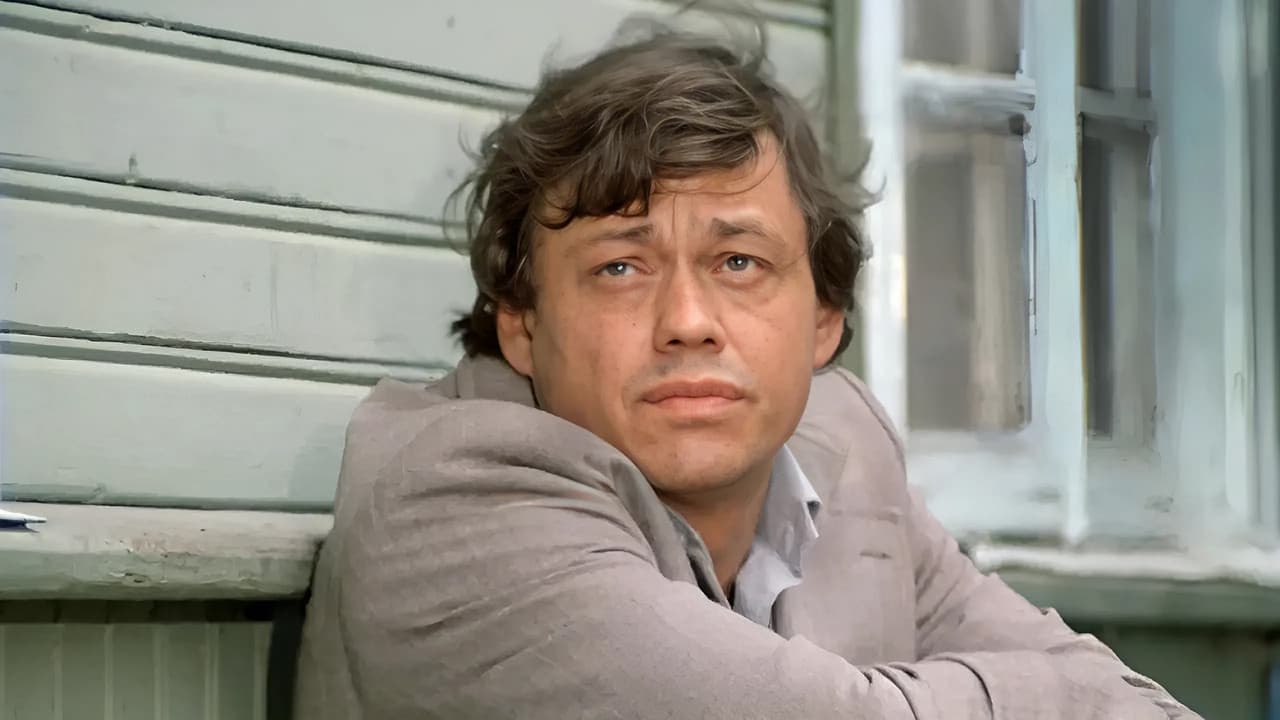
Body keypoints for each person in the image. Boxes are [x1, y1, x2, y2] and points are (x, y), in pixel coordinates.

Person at [294, 20, 1199, 720]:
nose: (687, 323)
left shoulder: (845, 449)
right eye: (621, 267)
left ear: (825, 319)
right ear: (522, 323)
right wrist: (1069, 695)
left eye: (739, 262)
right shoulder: (453, 499)